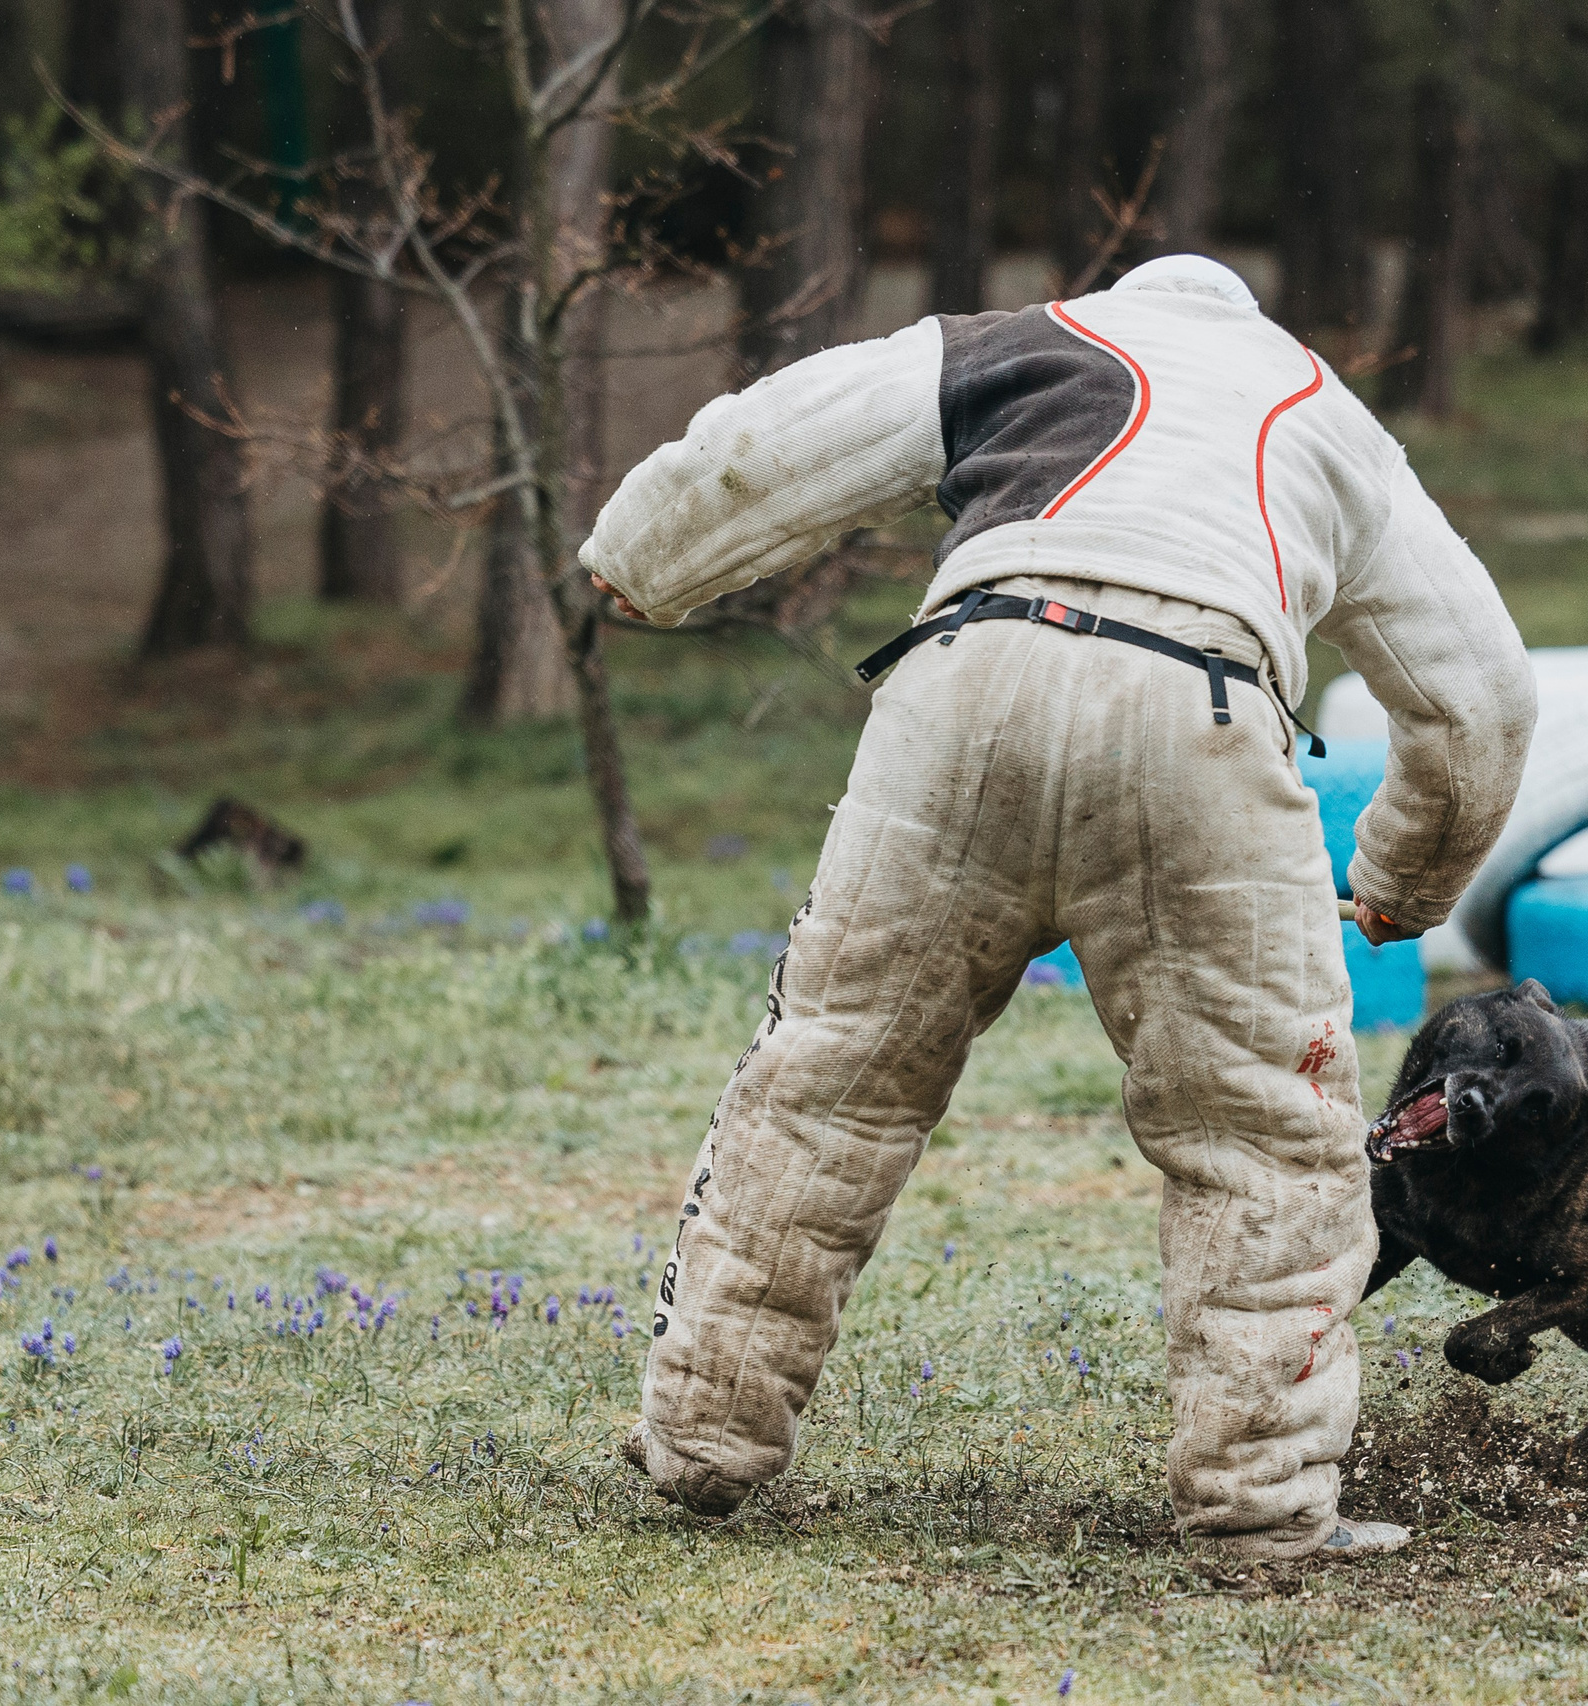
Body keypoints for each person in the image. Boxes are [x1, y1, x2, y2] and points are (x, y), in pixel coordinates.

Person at [582, 254, 1533, 1560]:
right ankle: (1259, 1503)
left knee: (829, 1080)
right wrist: (1404, 879)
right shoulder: (1328, 418)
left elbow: (786, 432)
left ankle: (702, 1437)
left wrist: (646, 555)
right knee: (1261, 1134)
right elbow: (1480, 695)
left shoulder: (1012, 342)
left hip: (966, 682)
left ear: (1126, 301)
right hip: (1199, 711)